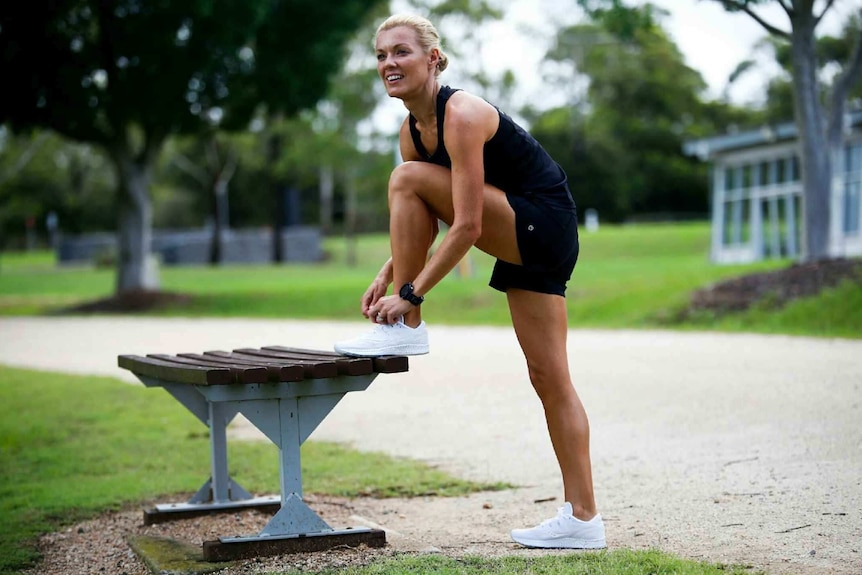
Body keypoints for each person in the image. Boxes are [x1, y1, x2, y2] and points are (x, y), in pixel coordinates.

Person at [333, 13, 605, 550]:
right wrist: (387, 273)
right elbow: (426, 219)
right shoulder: (411, 131)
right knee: (548, 377)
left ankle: (408, 327)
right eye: (382, 55)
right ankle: (584, 519)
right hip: (521, 229)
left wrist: (408, 296)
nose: (390, 63)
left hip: (541, 221)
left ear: (433, 59)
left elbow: (468, 225)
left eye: (402, 52)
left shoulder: (460, 113)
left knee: (405, 178)